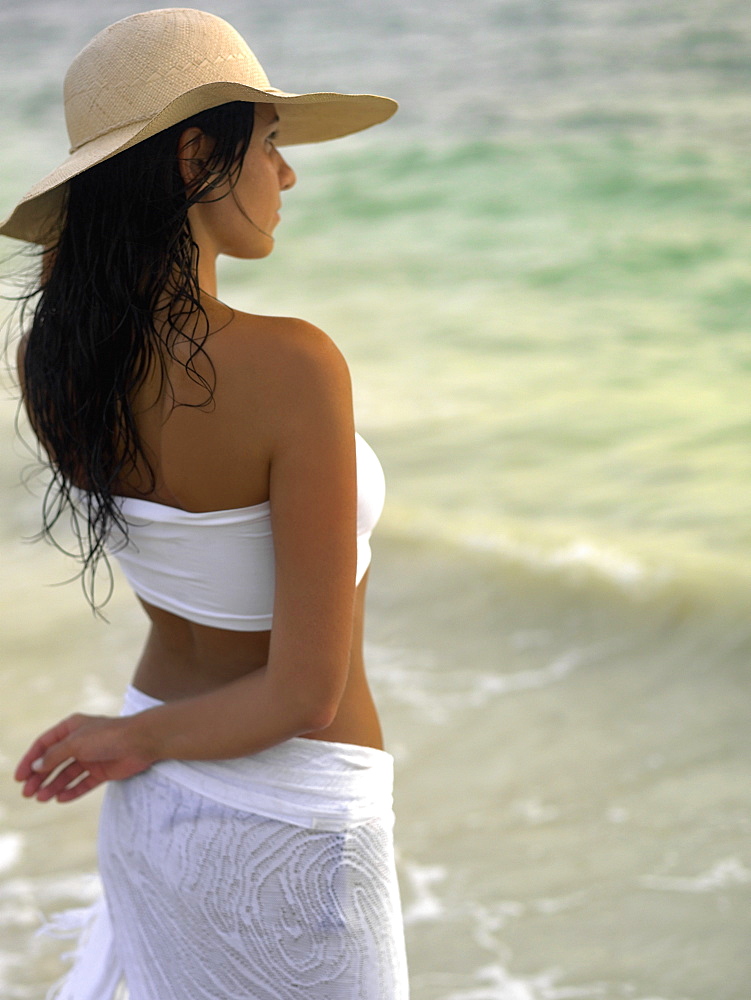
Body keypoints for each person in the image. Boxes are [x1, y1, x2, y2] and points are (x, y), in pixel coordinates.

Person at [3, 8, 407, 999]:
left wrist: (134, 737)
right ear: (194, 158)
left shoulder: (51, 365)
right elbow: (300, 692)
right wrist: (127, 738)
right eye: (270, 143)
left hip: (155, 798)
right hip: (293, 828)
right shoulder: (292, 365)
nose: (289, 175)